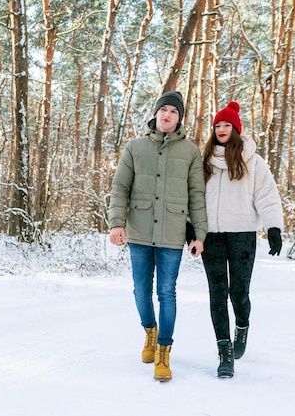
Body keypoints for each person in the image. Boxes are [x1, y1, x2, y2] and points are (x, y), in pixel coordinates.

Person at [108, 91, 207, 382]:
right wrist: (116, 223)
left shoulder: (190, 152)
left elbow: (197, 195)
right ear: (155, 114)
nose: (167, 115)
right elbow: (120, 188)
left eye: (174, 112)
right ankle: (149, 332)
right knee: (141, 291)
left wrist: (199, 234)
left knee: (167, 293)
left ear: (179, 119)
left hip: (172, 234)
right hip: (138, 231)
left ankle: (164, 351)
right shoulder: (135, 147)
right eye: (163, 109)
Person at [196, 101, 283, 378]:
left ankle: (242, 325)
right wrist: (191, 228)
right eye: (217, 125)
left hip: (243, 235)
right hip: (211, 236)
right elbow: (193, 198)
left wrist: (273, 229)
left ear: (236, 129)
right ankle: (225, 352)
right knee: (217, 294)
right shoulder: (204, 162)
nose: (221, 129)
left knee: (238, 293)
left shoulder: (252, 162)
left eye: (226, 125)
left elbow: (267, 197)